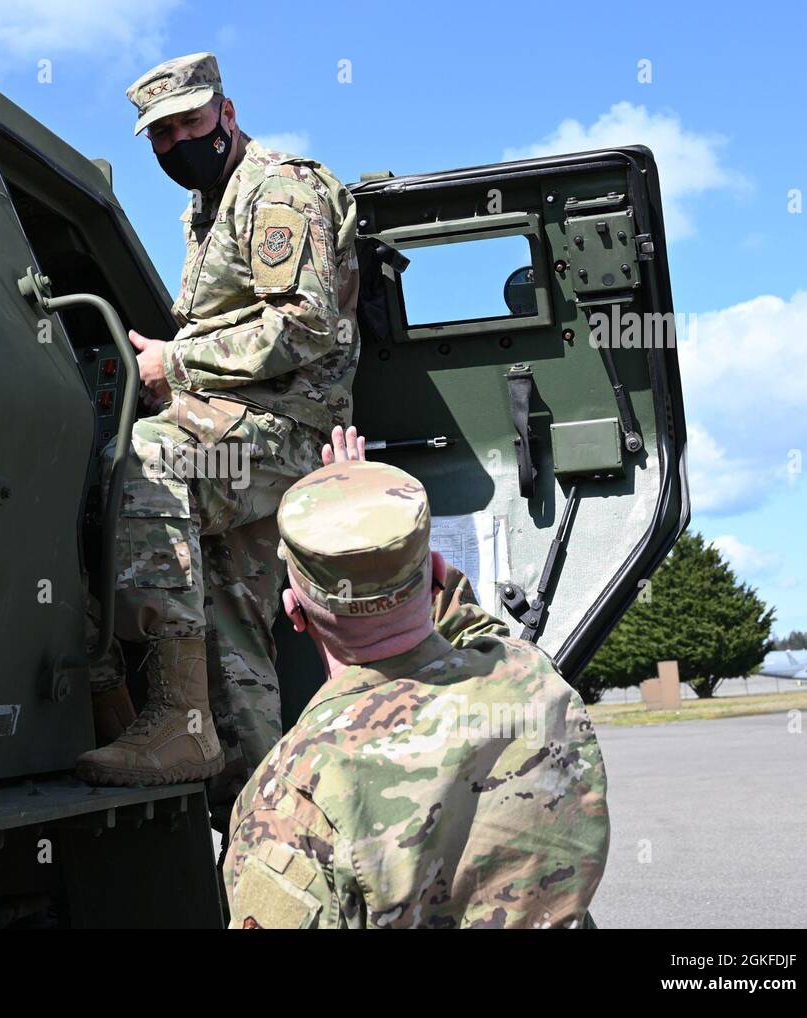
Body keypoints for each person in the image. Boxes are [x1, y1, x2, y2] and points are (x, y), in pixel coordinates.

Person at [77, 52, 359, 792]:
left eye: (190, 124)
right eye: (160, 136)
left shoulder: (276, 191)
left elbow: (306, 327)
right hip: (235, 432)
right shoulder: (208, 207)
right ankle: (268, 829)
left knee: (145, 459)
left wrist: (179, 364)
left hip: (282, 431)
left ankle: (175, 717)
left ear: (226, 115)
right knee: (234, 641)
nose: (176, 144)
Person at [221, 437, 611, 928]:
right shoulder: (531, 680)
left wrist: (353, 527)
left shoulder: (289, 796)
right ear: (438, 575)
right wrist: (372, 523)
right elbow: (472, 626)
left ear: (294, 613)